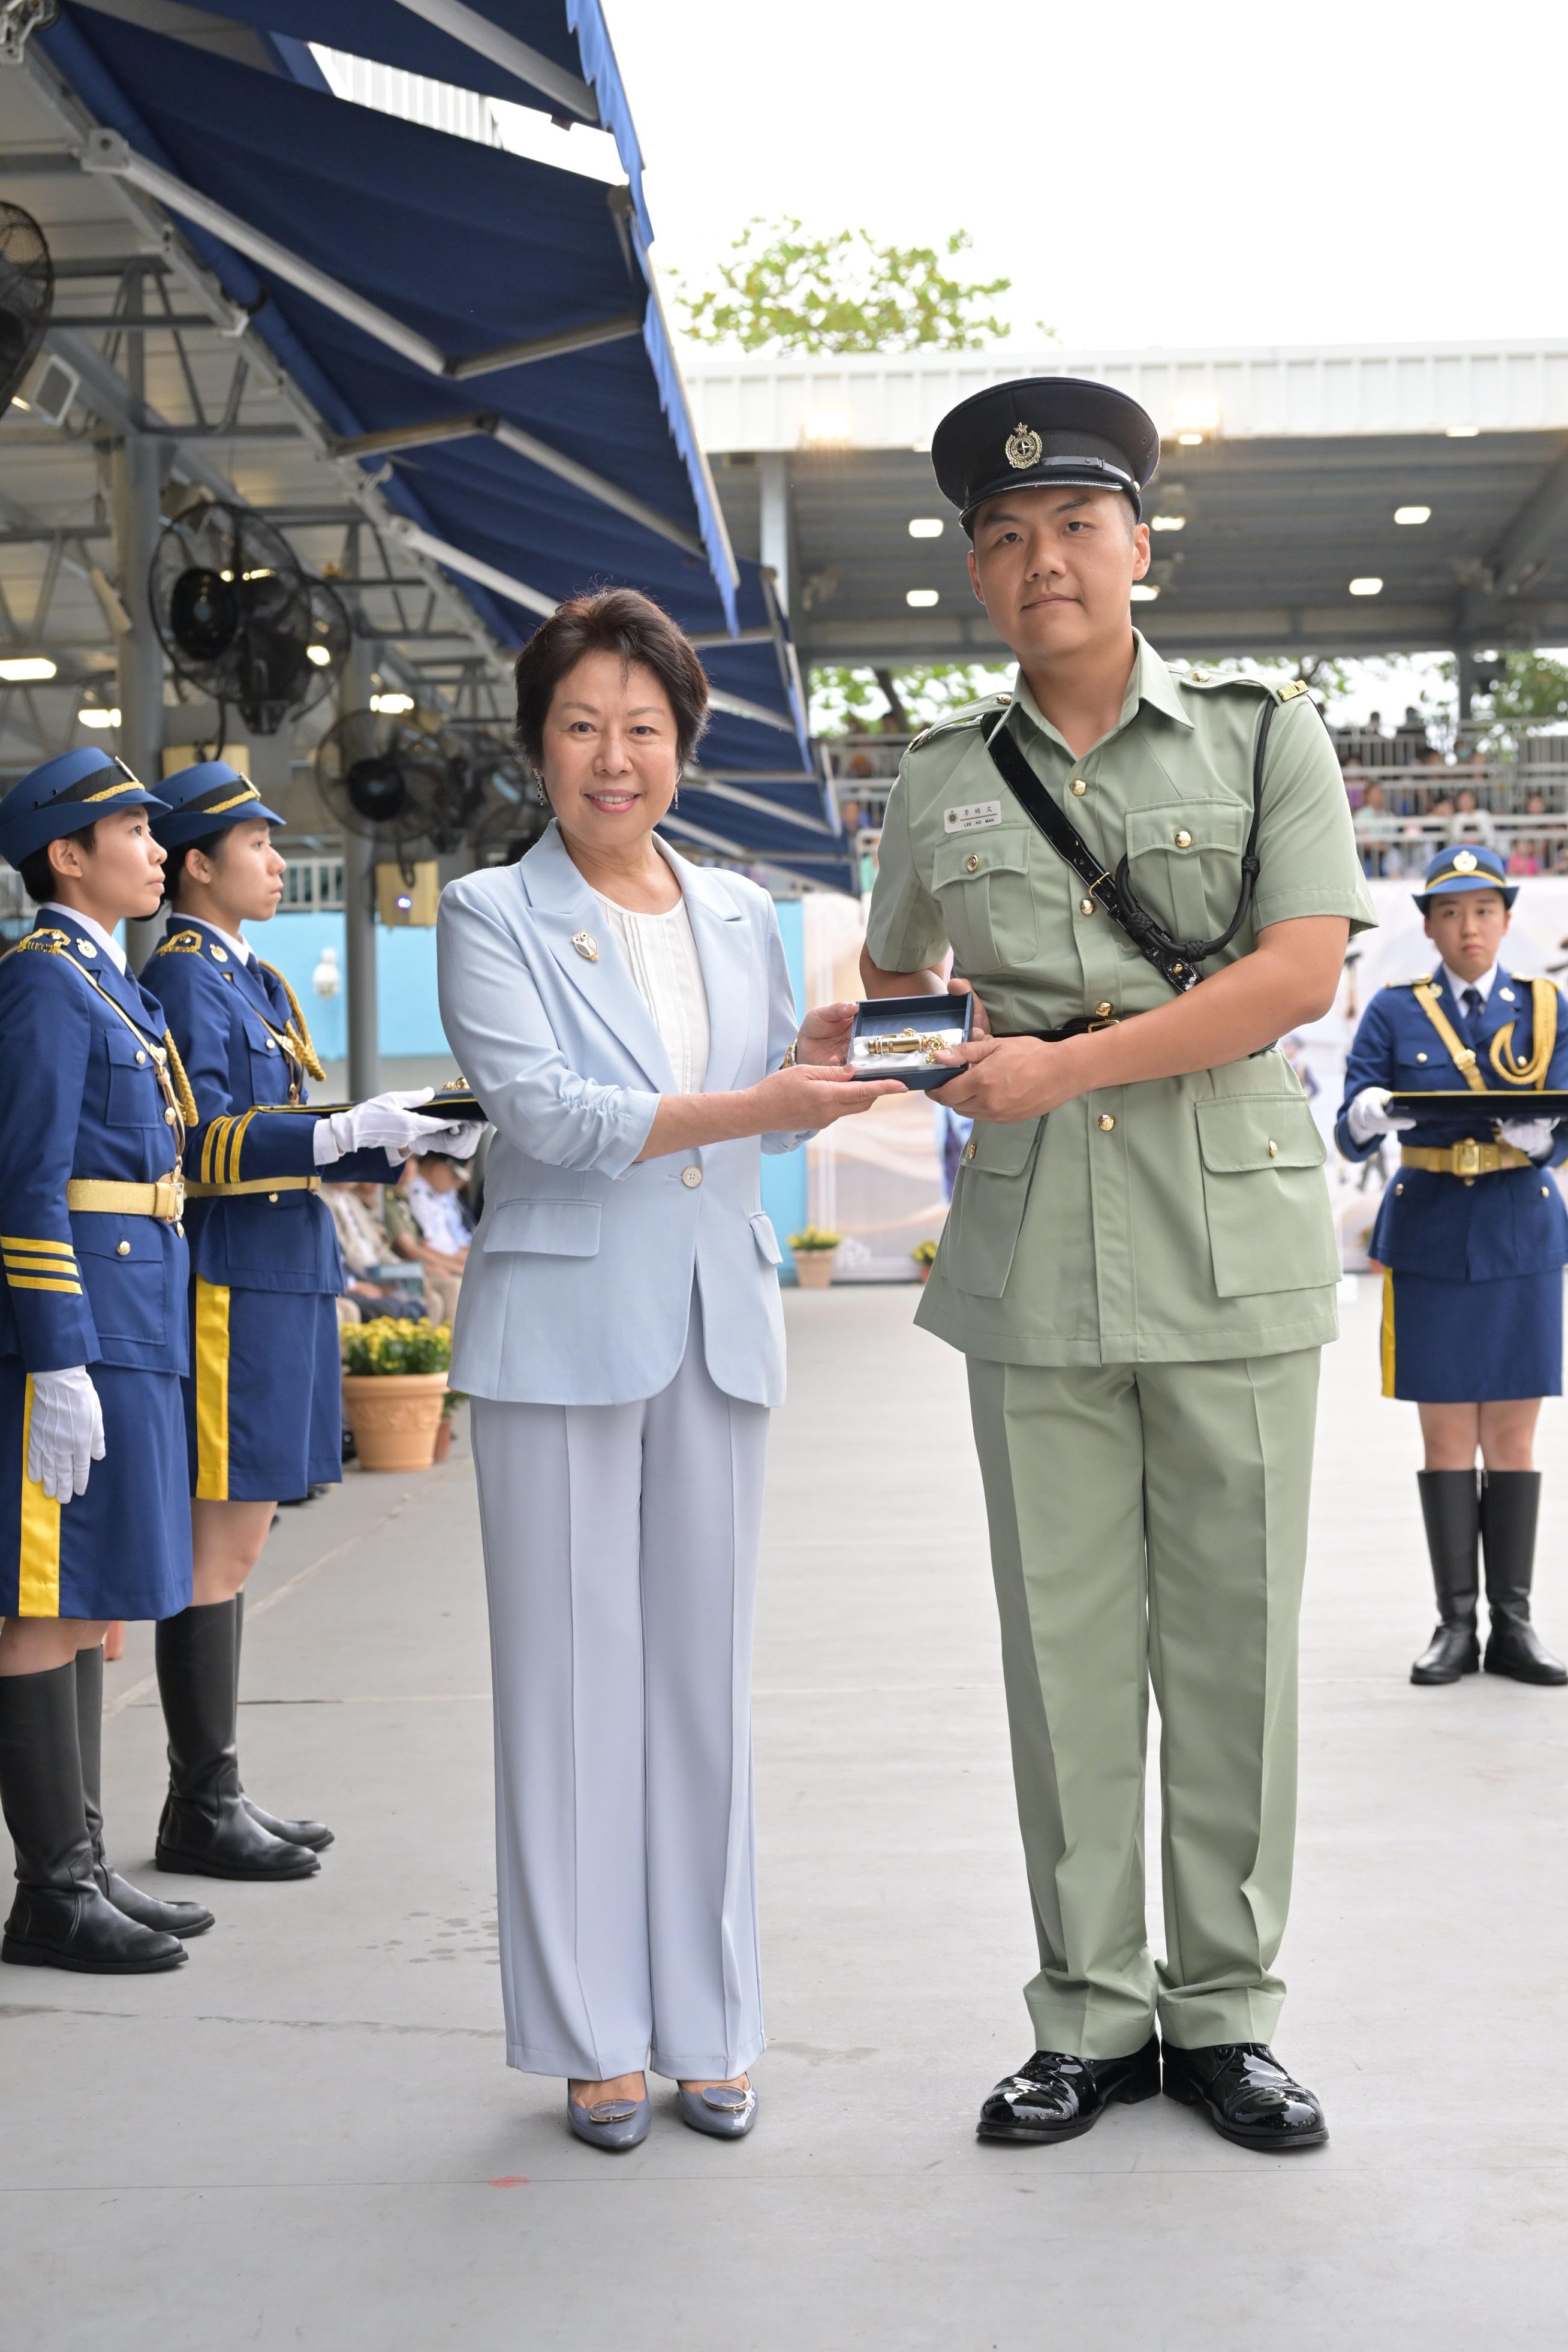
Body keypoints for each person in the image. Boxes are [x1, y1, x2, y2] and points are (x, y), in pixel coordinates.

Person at [860, 376, 1376, 2155]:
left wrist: (1062, 1056)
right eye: (1000, 538)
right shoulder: (936, 779)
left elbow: (1296, 973)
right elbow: (897, 987)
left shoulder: (1257, 736)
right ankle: (1086, 2012)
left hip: (1226, 1252)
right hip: (1031, 1268)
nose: (1037, 561)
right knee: (1063, 1655)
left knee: (1230, 1647)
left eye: (1073, 524)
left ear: (1138, 542)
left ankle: (1223, 2012)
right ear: (977, 574)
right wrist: (859, 1032)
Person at [437, 587, 903, 2154]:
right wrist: (758, 1094)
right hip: (556, 1333)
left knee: (698, 1685)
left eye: (642, 727)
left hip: (713, 1319)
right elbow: (554, 1117)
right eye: (580, 726)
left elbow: (762, 1113)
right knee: (566, 1694)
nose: (611, 755)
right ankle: (588, 2037)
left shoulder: (732, 915)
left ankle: (708, 2021)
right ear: (537, 746)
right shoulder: (489, 915)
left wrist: (824, 1063)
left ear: (684, 746)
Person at [144, 762, 483, 1882]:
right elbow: (201, 1149)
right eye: (256, 844)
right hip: (234, 1279)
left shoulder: (260, 980)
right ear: (199, 864)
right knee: (221, 1544)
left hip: (286, 1273)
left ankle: (217, 1786)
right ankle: (203, 1800)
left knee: (244, 1541)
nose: (280, 859)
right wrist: (337, 1138)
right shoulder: (189, 979)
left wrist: (413, 1135)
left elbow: (303, 1130)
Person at [0, 748, 212, 1972]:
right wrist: (57, 1356)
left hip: (135, 1321)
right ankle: (50, 1889)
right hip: (77, 1326)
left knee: (87, 1601)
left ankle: (81, 1864)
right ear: (67, 855)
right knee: (42, 1599)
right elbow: (25, 1181)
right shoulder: (41, 983)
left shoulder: (108, 985)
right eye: (128, 827)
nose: (151, 844)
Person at [1335, 841, 1568, 1687]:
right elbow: (1349, 1117)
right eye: (1449, 912)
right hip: (1430, 1227)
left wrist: (1549, 1139)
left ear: (1505, 920)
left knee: (1509, 1434)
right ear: (1427, 925)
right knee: (1444, 1434)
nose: (1466, 927)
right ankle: (1453, 1626)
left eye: (1481, 910)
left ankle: (1513, 1623)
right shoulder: (1394, 1012)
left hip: (1518, 1228)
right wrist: (1365, 1114)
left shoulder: (1545, 1006)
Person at [383, 1155, 471, 1327]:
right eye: (403, 1160)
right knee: (453, 1287)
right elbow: (410, 1250)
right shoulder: (397, 1197)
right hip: (402, 1268)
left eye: (412, 1160)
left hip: (415, 1266)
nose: (409, 1167)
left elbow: (423, 1244)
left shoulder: (402, 1198)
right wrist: (458, 1268)